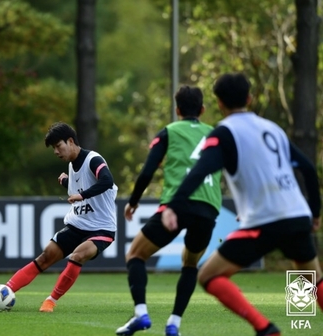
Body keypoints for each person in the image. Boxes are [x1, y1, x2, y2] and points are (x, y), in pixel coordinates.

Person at [162, 73, 323, 336]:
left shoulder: (224, 133)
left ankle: (265, 328)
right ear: (249, 98)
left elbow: (200, 171)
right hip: (296, 216)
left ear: (219, 104)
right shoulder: (273, 128)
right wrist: (315, 212)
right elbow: (307, 168)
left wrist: (173, 205)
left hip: (266, 220)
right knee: (314, 279)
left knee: (208, 276)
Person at [115, 86, 222, 336]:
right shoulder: (216, 134)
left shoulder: (169, 132)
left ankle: (141, 314)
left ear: (177, 110)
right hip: (208, 209)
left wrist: (133, 201)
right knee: (190, 263)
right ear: (203, 110)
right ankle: (174, 324)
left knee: (135, 256)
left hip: (176, 206)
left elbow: (148, 171)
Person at [5, 121, 118, 312]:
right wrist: (67, 182)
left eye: (58, 146)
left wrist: (81, 195)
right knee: (45, 257)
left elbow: (107, 181)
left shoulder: (93, 159)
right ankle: (5, 292)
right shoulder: (72, 166)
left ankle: (51, 300)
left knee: (77, 255)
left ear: (71, 141)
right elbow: (81, 186)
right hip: (77, 225)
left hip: (101, 228)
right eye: (54, 148)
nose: (56, 152)